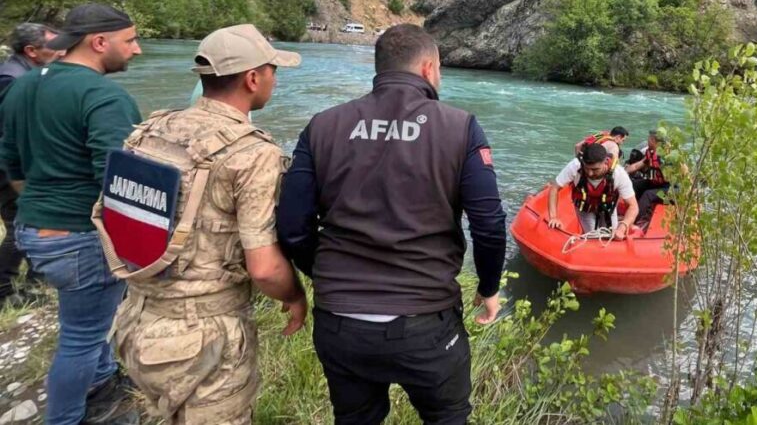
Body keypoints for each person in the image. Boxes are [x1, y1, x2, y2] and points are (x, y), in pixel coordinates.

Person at [277, 23, 507, 425]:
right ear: (428, 68)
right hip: (427, 322)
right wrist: (487, 287)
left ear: (379, 68)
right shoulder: (460, 127)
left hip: (341, 323)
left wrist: (328, 273)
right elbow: (488, 223)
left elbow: (293, 224)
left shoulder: (323, 125)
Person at [109, 24, 307, 424]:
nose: (275, 79)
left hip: (135, 320)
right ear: (253, 78)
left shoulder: (150, 130)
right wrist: (294, 296)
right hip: (203, 340)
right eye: (272, 70)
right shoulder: (252, 153)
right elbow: (264, 267)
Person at [0, 4, 143, 425]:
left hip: (32, 228)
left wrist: (42, 207)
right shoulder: (105, 96)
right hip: (79, 235)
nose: (136, 51)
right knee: (80, 337)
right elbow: (118, 180)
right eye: (130, 41)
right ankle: (66, 417)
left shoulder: (23, 85)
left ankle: (102, 378)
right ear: (99, 43)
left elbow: (11, 161)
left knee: (84, 317)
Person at [0, 23, 61, 307]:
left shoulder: (19, 72)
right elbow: (10, 129)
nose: (60, 50)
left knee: (26, 223)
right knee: (18, 226)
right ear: (32, 51)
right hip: (9, 169)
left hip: (16, 165)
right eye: (53, 45)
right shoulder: (11, 79)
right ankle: (4, 291)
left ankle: (31, 282)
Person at [548, 142, 639, 238]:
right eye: (587, 168)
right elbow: (554, 188)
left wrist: (622, 227)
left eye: (595, 169)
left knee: (612, 235)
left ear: (606, 161)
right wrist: (553, 217)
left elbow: (633, 206)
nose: (590, 173)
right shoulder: (575, 166)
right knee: (592, 236)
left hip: (608, 209)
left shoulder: (619, 174)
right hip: (585, 208)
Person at [624, 130, 669, 228]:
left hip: (670, 192)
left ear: (653, 140)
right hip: (659, 184)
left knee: (648, 194)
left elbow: (684, 173)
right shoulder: (651, 153)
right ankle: (632, 211)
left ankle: (633, 222)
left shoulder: (667, 156)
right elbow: (636, 166)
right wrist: (622, 173)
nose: (647, 141)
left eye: (648, 139)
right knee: (634, 184)